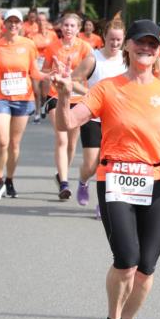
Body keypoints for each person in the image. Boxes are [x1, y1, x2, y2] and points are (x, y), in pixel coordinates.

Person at [52, 18, 160, 319]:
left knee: (147, 268)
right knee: (126, 261)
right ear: (128, 47)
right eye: (140, 43)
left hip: (157, 184)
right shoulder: (107, 88)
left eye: (152, 44)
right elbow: (68, 123)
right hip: (116, 181)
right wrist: (63, 97)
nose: (146, 49)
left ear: (158, 50)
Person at [0, 9, 47, 201]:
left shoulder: (28, 45)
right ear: (5, 24)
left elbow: (34, 71)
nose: (13, 25)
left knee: (14, 144)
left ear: (21, 24)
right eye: (10, 21)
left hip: (22, 98)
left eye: (16, 22)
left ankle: (9, 180)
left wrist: (49, 76)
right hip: (0, 97)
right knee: (3, 140)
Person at [71, 15, 127, 213]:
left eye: (119, 40)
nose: (115, 43)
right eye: (111, 39)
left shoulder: (127, 59)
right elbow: (73, 80)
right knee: (92, 164)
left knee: (111, 164)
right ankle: (83, 181)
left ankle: (103, 203)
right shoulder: (94, 58)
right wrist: (90, 93)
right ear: (104, 36)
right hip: (94, 117)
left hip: (118, 119)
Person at [41, 11, 92, 198]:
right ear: (61, 27)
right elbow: (44, 71)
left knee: (72, 143)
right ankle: (64, 183)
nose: (69, 29)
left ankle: (62, 173)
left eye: (73, 26)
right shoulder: (52, 47)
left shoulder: (85, 48)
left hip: (77, 98)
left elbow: (91, 72)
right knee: (61, 139)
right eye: (66, 25)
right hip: (56, 95)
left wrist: (75, 77)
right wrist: (52, 75)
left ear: (78, 29)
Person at [31, 12, 57, 122]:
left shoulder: (53, 35)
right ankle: (37, 112)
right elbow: (31, 51)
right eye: (39, 20)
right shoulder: (33, 36)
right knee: (36, 90)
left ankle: (43, 105)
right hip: (37, 62)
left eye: (43, 20)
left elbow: (56, 49)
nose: (41, 22)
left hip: (48, 63)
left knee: (45, 91)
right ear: (36, 22)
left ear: (47, 22)